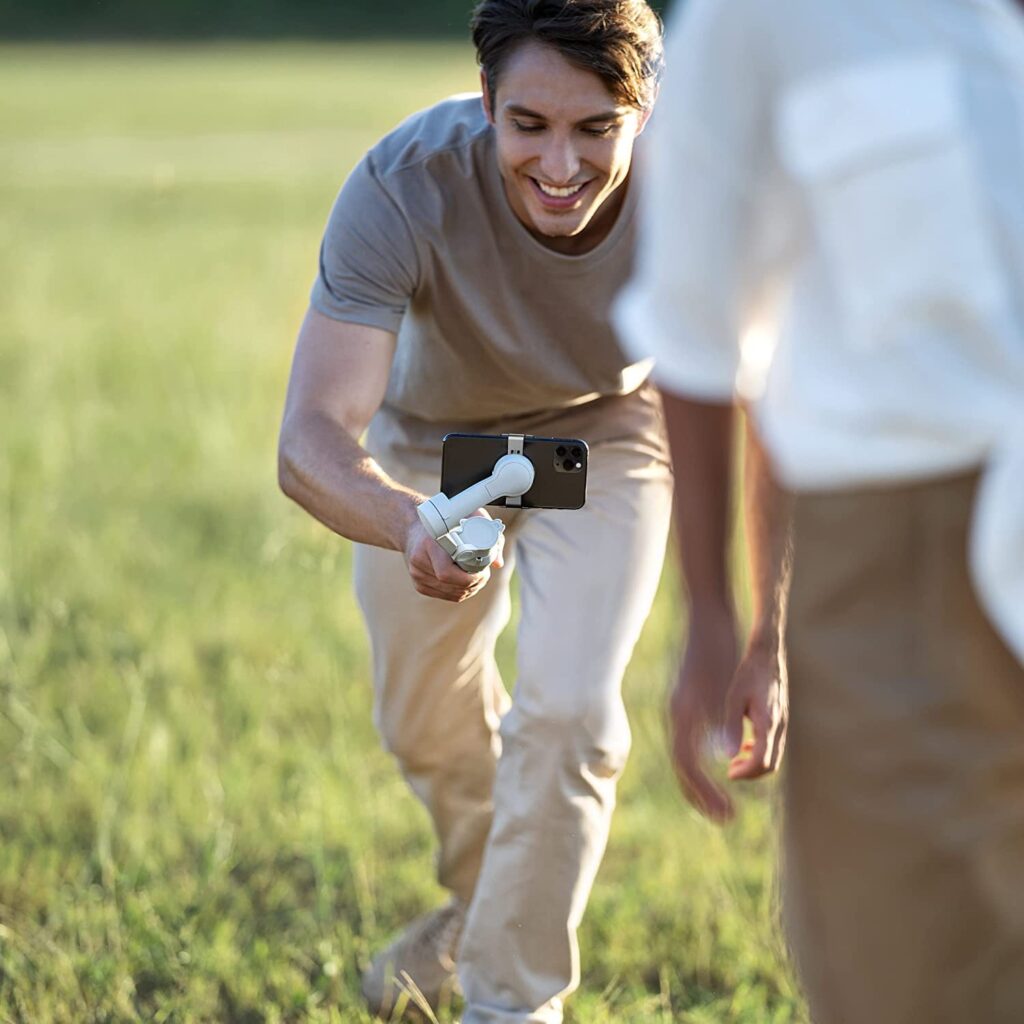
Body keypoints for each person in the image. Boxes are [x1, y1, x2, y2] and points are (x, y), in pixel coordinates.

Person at [615, 0, 1024, 1021]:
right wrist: (716, 611)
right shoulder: (763, 22)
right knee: (910, 954)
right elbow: (696, 329)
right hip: (903, 548)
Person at [278, 3, 673, 1020]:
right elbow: (312, 433)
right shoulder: (402, 184)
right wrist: (407, 518)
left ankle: (509, 999)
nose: (560, 163)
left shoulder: (698, 187)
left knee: (572, 712)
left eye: (597, 129)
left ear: (644, 110)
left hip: (610, 426)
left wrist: (757, 623)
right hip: (433, 440)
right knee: (422, 717)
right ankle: (480, 903)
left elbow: (753, 394)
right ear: (486, 104)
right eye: (529, 124)